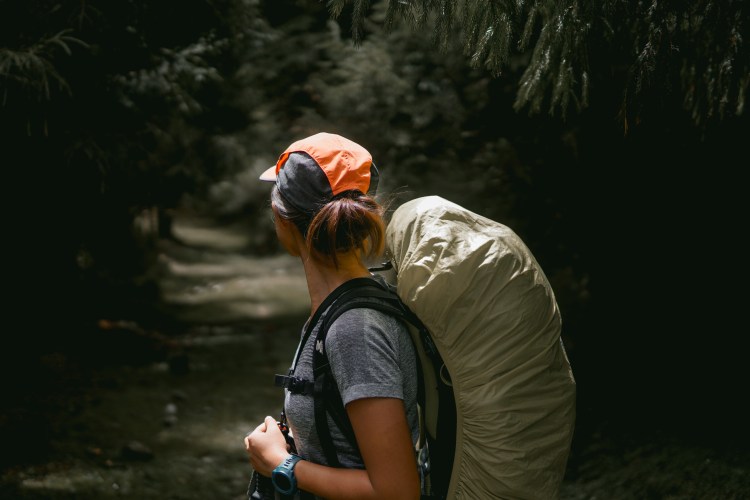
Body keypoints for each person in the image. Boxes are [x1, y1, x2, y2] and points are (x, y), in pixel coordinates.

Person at [244, 132, 421, 500]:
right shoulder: (338, 310)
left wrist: (281, 464)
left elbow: (397, 491)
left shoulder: (355, 329)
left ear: (282, 216)